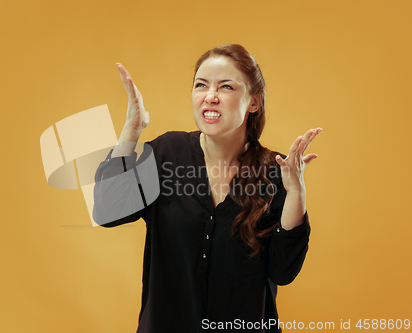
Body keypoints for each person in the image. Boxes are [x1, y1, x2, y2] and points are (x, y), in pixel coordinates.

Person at [93, 44, 322, 333]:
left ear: (254, 101)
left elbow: (283, 271)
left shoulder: (276, 172)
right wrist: (132, 129)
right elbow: (107, 212)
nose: (210, 97)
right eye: (201, 85)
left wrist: (296, 194)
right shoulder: (166, 154)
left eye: (226, 87)